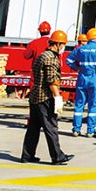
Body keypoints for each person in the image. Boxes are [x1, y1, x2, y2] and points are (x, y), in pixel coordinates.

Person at [21, 30, 74, 165]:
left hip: (35, 96)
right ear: (57, 44)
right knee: (51, 127)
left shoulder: (43, 55)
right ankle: (57, 156)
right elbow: (51, 80)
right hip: (44, 97)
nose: (63, 47)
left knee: (33, 128)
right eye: (63, 44)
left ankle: (27, 155)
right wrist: (57, 97)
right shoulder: (51, 58)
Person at [66, 27, 96, 137]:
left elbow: (68, 60)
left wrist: (77, 68)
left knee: (79, 105)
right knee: (93, 106)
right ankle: (90, 131)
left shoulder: (81, 49)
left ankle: (76, 129)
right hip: (94, 79)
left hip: (82, 79)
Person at [22, 21, 53, 91]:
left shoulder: (34, 43)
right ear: (49, 31)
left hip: (37, 73)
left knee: (35, 92)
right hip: (50, 72)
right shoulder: (54, 43)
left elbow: (26, 55)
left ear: (39, 31)